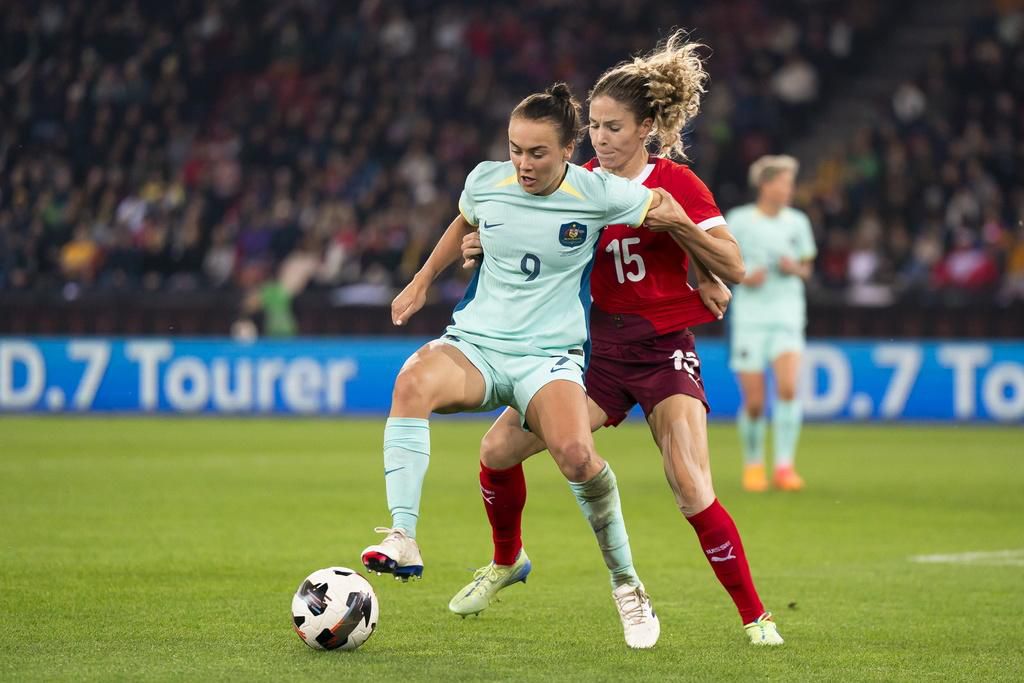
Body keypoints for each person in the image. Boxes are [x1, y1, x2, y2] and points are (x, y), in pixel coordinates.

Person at [450, 31, 784, 646]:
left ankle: (756, 617)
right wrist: (479, 245)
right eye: (595, 127)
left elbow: (736, 269)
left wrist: (684, 233)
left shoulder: (677, 184)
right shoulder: (572, 184)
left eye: (614, 127)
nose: (601, 140)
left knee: (688, 482)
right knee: (497, 450)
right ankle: (506, 561)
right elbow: (511, 233)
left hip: (661, 349)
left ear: (647, 127)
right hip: (590, 355)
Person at [360, 83, 683, 649]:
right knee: (411, 381)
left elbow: (668, 212)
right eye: (515, 149)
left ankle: (627, 585)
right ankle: (404, 536)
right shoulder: (486, 180)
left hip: (547, 357)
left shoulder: (599, 192)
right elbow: (462, 224)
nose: (523, 164)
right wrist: (420, 282)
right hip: (478, 344)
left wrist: (704, 267)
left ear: (567, 150)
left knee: (579, 457)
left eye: (537, 153)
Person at [727, 155, 817, 492]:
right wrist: (744, 276)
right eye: (784, 183)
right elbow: (722, 260)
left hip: (787, 315)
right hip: (751, 318)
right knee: (754, 401)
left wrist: (794, 268)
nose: (789, 190)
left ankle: (784, 466)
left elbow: (807, 268)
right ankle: (753, 464)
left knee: (789, 388)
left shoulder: (797, 223)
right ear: (766, 184)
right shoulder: (739, 220)